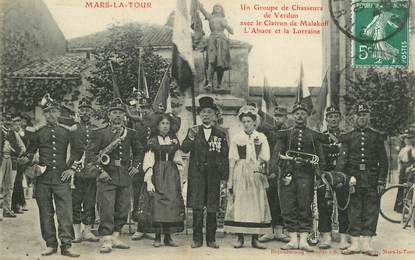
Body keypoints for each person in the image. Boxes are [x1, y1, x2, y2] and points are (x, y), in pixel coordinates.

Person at [85, 98, 144, 254]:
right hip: (107, 175)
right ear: (109, 115)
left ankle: (116, 237)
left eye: (120, 113)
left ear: (125, 116)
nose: (117, 116)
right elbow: (90, 155)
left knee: (123, 208)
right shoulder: (99, 133)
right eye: (114, 113)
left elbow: (139, 152)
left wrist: (136, 167)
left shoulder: (130, 133)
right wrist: (100, 171)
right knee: (106, 208)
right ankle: (106, 239)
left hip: (124, 175)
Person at [24, 98, 80, 257]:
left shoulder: (67, 131)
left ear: (59, 113)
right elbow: (29, 152)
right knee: (46, 213)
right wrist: (29, 167)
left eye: (54, 111)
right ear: (44, 115)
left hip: (62, 179)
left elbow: (78, 151)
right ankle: (50, 244)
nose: (50, 115)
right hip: (43, 179)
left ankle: (67, 245)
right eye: (47, 112)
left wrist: (71, 169)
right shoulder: (38, 132)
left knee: (65, 212)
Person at [270, 102, 325, 252]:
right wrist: (273, 170)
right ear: (292, 116)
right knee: (288, 205)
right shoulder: (285, 134)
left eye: (303, 113)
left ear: (307, 115)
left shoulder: (313, 135)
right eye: (297, 113)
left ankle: (304, 240)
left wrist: (320, 174)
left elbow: (320, 157)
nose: (300, 116)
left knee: (304, 205)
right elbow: (276, 154)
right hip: (288, 174)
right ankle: (293, 239)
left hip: (306, 176)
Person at [336, 103, 388, 256]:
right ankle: (355, 244)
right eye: (359, 115)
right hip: (354, 179)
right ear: (354, 117)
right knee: (354, 210)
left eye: (365, 114)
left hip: (372, 179)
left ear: (368, 117)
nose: (362, 117)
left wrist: (381, 181)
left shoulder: (376, 136)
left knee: (371, 210)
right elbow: (342, 161)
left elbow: (384, 162)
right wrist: (342, 178)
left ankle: (366, 245)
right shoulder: (347, 137)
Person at [181, 96, 229, 249]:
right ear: (200, 115)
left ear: (214, 114)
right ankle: (197, 239)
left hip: (214, 176)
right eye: (203, 112)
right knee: (197, 207)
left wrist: (224, 177)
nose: (206, 115)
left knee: (212, 207)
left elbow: (225, 156)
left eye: (209, 112)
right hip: (197, 175)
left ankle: (211, 239)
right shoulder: (193, 130)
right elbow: (184, 148)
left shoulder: (220, 133)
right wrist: (190, 136)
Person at [224, 105, 271, 249]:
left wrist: (263, 173)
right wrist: (230, 180)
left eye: (249, 121)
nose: (246, 124)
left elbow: (265, 158)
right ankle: (240, 238)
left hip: (256, 173)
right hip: (240, 171)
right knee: (241, 203)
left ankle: (255, 238)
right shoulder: (237, 138)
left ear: (254, 122)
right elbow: (232, 160)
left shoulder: (261, 137)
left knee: (256, 203)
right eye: (244, 121)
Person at [141, 114, 185, 247]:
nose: (165, 126)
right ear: (157, 126)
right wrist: (149, 180)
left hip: (171, 174)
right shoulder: (152, 141)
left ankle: (168, 237)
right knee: (157, 204)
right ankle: (157, 236)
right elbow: (148, 161)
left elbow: (178, 160)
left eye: (167, 124)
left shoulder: (174, 141)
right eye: (163, 124)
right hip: (158, 172)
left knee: (171, 204)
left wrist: (181, 177)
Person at [317, 106, 349, 250]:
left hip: (342, 175)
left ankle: (343, 236)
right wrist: (320, 174)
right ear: (326, 119)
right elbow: (318, 157)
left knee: (344, 205)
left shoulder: (346, 136)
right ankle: (326, 236)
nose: (333, 119)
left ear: (340, 119)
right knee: (324, 206)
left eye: (336, 116)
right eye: (330, 116)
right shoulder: (322, 137)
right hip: (325, 176)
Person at [258, 106, 290, 243]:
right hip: (271, 169)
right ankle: (269, 231)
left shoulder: (290, 132)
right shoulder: (267, 131)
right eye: (276, 116)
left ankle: (280, 230)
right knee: (270, 199)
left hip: (285, 169)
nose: (278, 119)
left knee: (283, 201)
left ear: (286, 117)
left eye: (281, 116)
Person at [71, 98, 100, 243]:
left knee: (89, 201)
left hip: (91, 170)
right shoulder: (73, 128)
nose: (85, 112)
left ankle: (88, 231)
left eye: (87, 110)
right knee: (75, 201)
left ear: (91, 112)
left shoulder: (96, 129)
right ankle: (76, 233)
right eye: (82, 110)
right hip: (75, 171)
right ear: (78, 112)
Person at [198, 2, 234, 89]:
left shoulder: (224, 19)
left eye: (219, 7)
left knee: (220, 63)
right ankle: (209, 83)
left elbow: (232, 31)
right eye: (215, 7)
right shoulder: (211, 17)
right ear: (213, 9)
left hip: (222, 40)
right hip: (212, 39)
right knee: (211, 61)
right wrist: (198, 4)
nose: (217, 8)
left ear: (222, 10)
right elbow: (203, 11)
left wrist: (228, 27)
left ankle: (219, 83)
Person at [1, 113, 26, 218]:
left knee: (9, 186)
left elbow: (23, 148)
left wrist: (16, 155)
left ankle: (7, 209)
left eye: (9, 119)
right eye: (5, 119)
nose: (7, 121)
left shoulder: (13, 133)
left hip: (11, 160)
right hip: (1, 159)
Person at [11, 114, 31, 214]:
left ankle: (18, 204)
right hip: (15, 159)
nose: (22, 124)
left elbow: (27, 145)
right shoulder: (14, 132)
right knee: (17, 182)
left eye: (23, 122)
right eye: (20, 122)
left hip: (21, 160)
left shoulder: (24, 133)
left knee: (18, 181)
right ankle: (18, 203)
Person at [394, 130, 415, 213]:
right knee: (402, 187)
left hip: (411, 169)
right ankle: (401, 206)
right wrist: (399, 171)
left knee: (410, 187)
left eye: (411, 138)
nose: (409, 140)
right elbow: (399, 161)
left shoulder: (412, 149)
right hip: (404, 170)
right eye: (407, 138)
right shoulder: (404, 150)